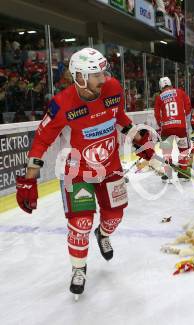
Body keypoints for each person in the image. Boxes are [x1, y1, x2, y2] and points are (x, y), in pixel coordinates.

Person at [15, 48, 154, 298]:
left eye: (103, 72)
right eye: (96, 74)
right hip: (76, 171)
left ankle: (103, 233)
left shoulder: (112, 88)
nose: (103, 78)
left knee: (114, 215)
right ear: (79, 76)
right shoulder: (62, 104)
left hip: (110, 167)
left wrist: (139, 139)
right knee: (80, 223)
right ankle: (79, 268)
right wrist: (29, 178)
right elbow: (41, 139)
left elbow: (119, 117)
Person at [154, 76, 192, 182]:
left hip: (166, 128)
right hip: (180, 127)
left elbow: (157, 114)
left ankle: (168, 174)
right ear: (170, 83)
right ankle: (182, 173)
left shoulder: (159, 97)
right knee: (184, 150)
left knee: (166, 152)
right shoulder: (180, 92)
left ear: (161, 86)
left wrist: (161, 125)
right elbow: (188, 107)